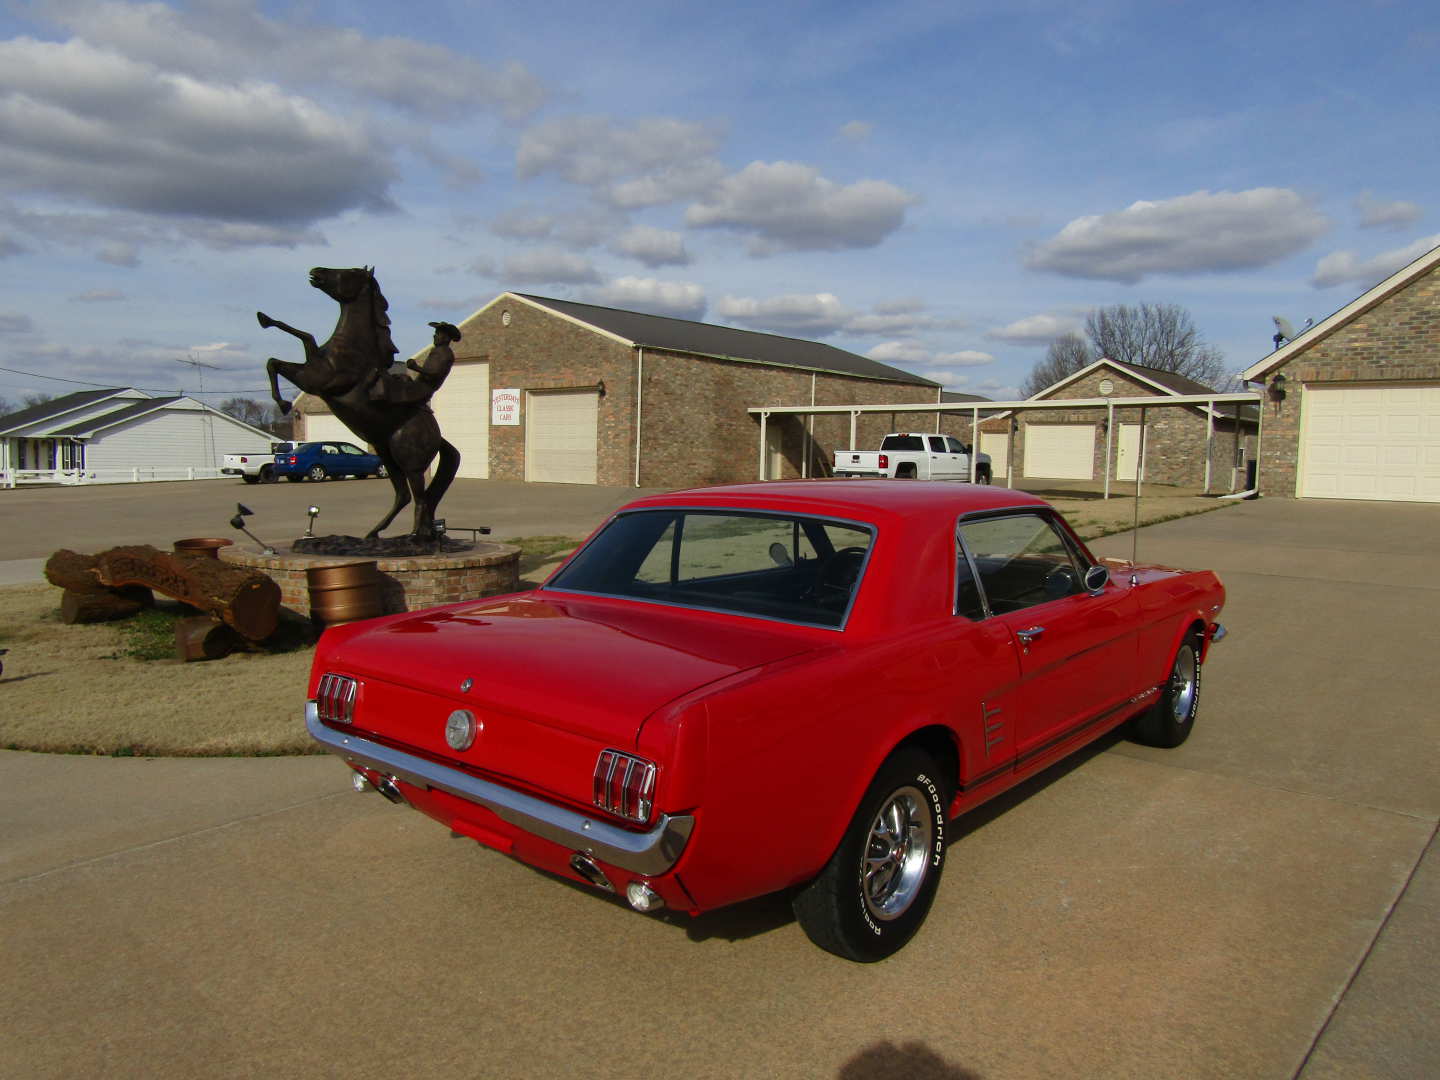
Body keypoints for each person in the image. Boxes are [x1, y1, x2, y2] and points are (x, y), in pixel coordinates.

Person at [369, 321, 460, 405]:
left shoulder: (444, 353)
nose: (434, 336)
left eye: (438, 334)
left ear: (446, 338)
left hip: (422, 390)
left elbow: (434, 373)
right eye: (435, 333)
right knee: (398, 378)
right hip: (420, 386)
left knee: (389, 388)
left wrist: (415, 367)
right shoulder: (439, 351)